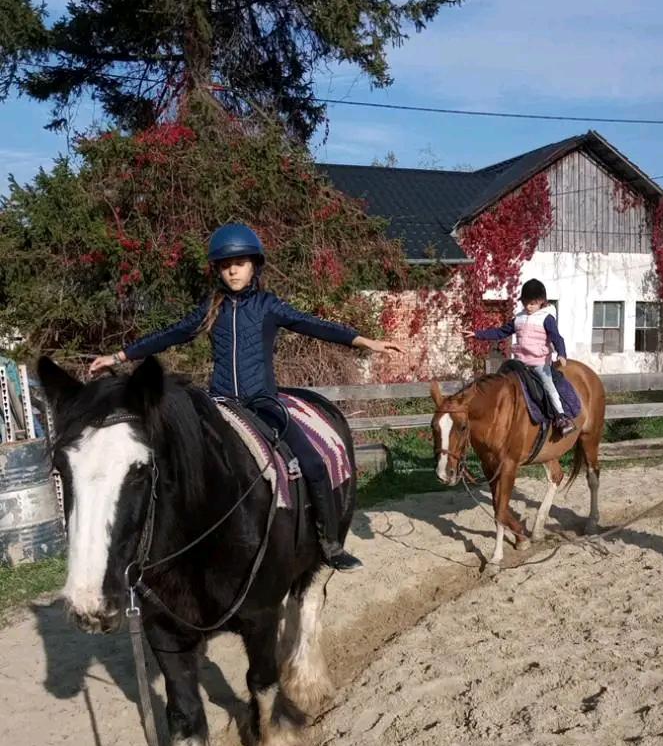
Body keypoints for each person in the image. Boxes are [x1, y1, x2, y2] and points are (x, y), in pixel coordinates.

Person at [90, 222, 404, 571]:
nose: (233, 270)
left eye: (240, 262)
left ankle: (330, 545)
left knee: (313, 464)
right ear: (218, 271)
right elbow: (171, 334)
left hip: (262, 402)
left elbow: (315, 324)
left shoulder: (269, 306)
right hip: (220, 403)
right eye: (226, 265)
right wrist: (120, 357)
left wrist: (366, 341)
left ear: (254, 265)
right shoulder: (212, 308)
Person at [474, 278, 575, 436]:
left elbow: (556, 337)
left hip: (539, 363)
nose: (528, 307)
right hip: (520, 363)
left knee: (548, 386)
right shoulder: (519, 318)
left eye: (532, 303)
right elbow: (501, 332)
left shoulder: (547, 318)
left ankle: (561, 417)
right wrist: (477, 334)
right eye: (526, 303)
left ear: (541, 301)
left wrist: (561, 353)